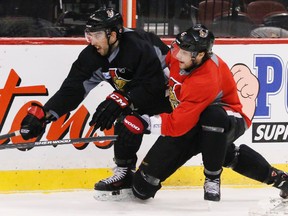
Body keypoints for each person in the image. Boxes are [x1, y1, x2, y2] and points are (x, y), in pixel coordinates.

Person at [99, 24, 288, 201]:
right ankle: (279, 179)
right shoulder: (178, 55)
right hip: (192, 119)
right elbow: (159, 76)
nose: (178, 56)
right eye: (178, 49)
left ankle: (213, 177)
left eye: (185, 53)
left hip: (228, 118)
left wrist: (146, 123)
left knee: (212, 118)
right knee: (142, 189)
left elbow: (177, 124)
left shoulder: (206, 78)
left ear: (199, 55)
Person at [19, 7, 171, 195]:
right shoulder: (91, 55)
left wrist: (123, 98)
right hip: (141, 93)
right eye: (88, 34)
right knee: (125, 121)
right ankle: (124, 172)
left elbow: (154, 82)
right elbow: (72, 89)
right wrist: (46, 114)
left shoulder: (138, 46)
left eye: (97, 35)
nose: (91, 41)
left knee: (121, 107)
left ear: (113, 35)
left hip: (171, 95)